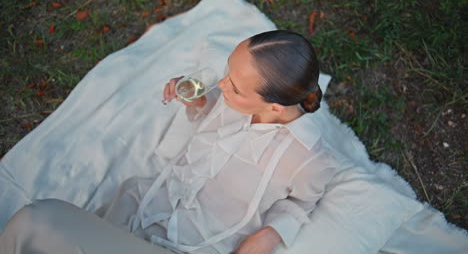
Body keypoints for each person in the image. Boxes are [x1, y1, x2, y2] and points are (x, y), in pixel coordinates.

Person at [0, 30, 339, 254]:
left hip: (191, 246)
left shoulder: (309, 159)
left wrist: (266, 237)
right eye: (227, 73)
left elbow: (299, 204)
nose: (221, 85)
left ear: (275, 107)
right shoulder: (227, 100)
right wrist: (194, 105)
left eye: (235, 86)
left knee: (38, 221)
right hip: (137, 211)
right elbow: (204, 135)